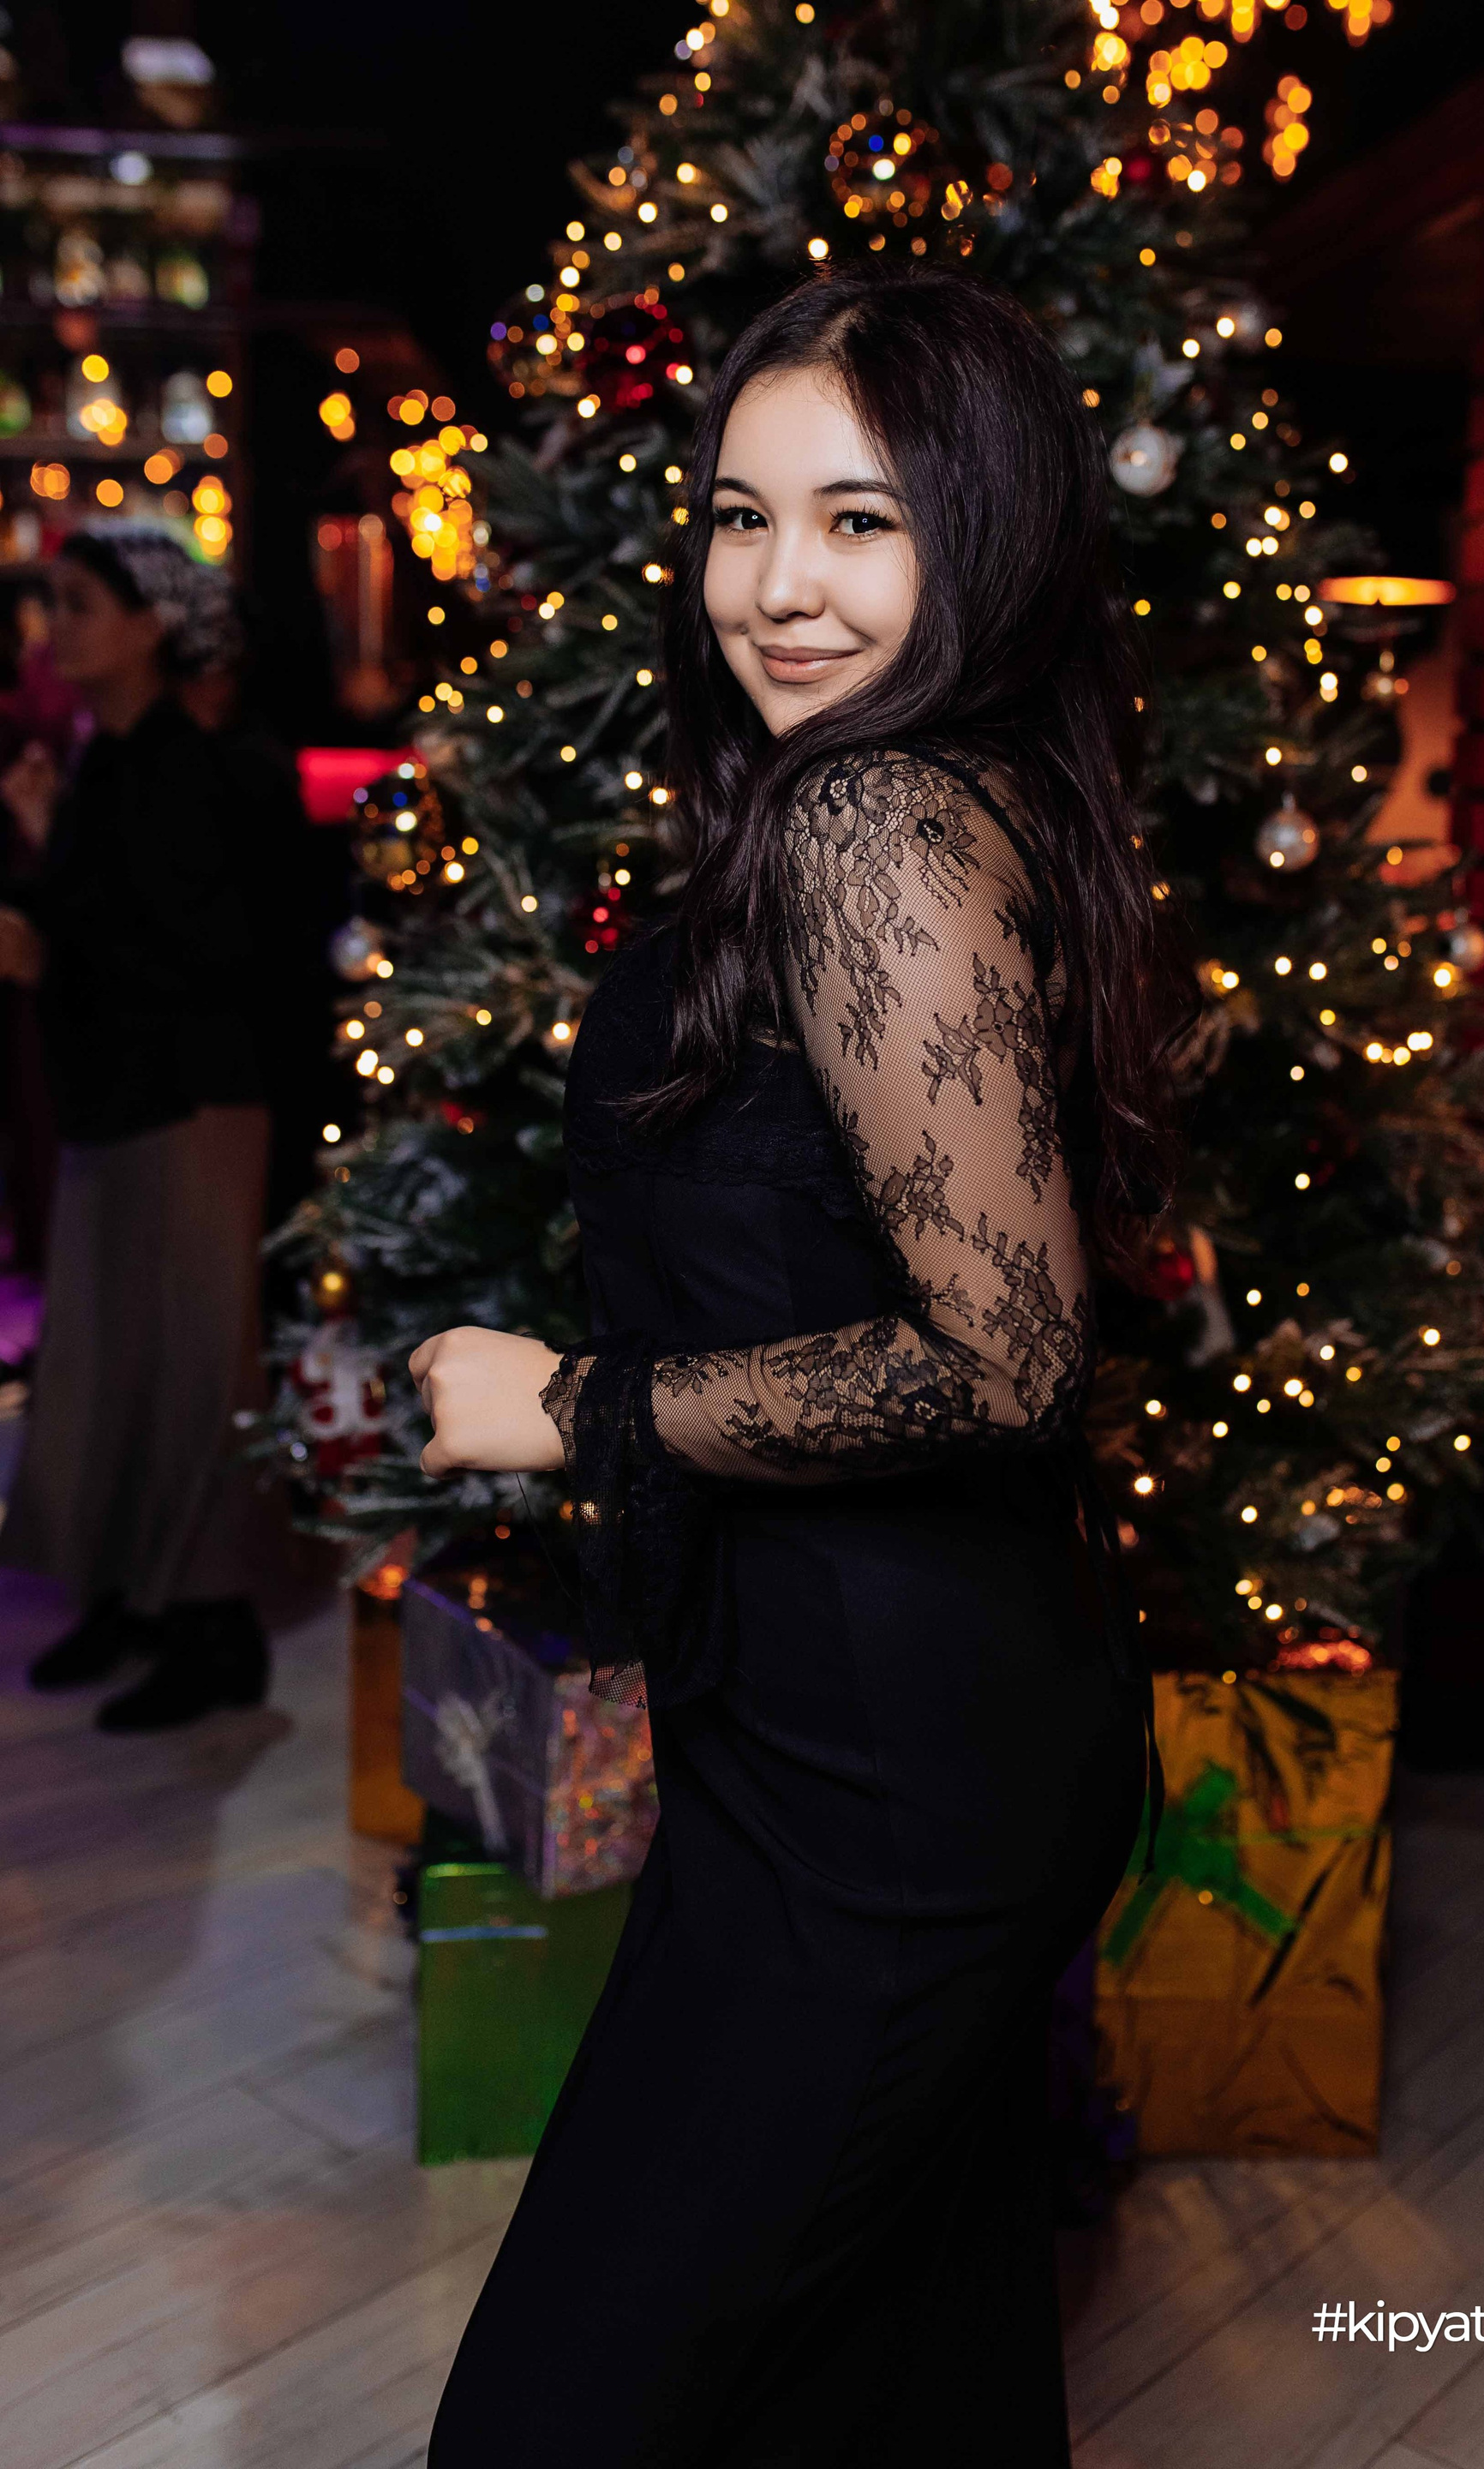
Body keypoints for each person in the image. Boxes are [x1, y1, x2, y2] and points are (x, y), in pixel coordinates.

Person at [411, 269, 1185, 2467]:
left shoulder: (872, 828)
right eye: (741, 518)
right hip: (883, 1734)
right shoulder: (936, 799)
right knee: (892, 2381)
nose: (778, 586)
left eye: (859, 520)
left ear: (985, 530)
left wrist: (571, 1404)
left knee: (566, 2417)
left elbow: (1004, 1355)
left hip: (887, 1788)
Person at [0, 525, 273, 1730]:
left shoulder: (186, 769)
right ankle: (131, 1596)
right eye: (51, 602)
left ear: (151, 625)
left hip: (190, 1101)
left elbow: (205, 956)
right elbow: (102, 914)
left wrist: (45, 950)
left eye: (78, 603)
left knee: (194, 1369)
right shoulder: (105, 761)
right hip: (122, 1097)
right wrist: (42, 852)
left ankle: (215, 1626)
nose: (53, 627)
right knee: (108, 1355)